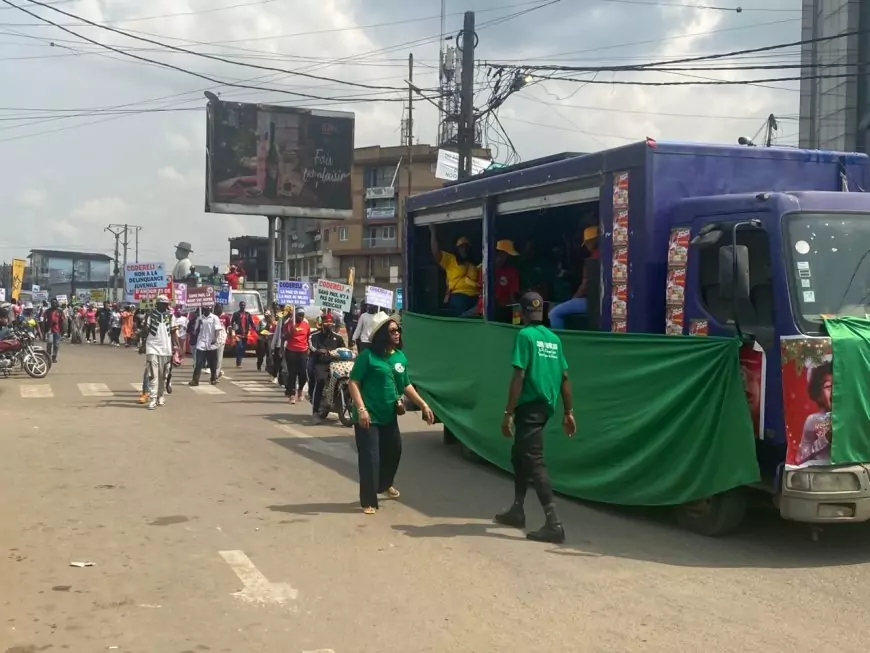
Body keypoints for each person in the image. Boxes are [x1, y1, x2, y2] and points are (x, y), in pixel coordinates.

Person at [496, 291, 576, 544]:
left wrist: (508, 412)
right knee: (519, 456)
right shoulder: (553, 339)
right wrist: (569, 412)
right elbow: (564, 378)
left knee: (534, 461)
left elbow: (519, 376)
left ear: (521, 312)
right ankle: (517, 510)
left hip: (529, 407)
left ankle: (554, 523)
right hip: (546, 407)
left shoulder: (525, 336)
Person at [347, 314, 434, 514]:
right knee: (370, 458)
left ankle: (384, 484)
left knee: (394, 452)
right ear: (381, 335)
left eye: (398, 330)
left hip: (388, 415)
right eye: (392, 331)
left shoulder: (399, 357)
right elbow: (354, 382)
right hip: (368, 417)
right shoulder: (367, 357)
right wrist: (361, 409)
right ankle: (368, 501)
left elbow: (405, 384)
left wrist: (423, 404)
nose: (397, 333)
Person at [548, 226, 599, 330]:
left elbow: (585, 285)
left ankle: (560, 342)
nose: (587, 247)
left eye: (588, 243)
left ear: (593, 241)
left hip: (592, 302)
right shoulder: (610, 256)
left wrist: (574, 297)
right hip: (606, 302)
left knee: (553, 313)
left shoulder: (592, 260)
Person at [464, 239, 521, 318]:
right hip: (482, 309)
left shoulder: (512, 272)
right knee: (461, 319)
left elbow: (513, 297)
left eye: (506, 255)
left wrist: (517, 316)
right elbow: (481, 290)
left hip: (503, 310)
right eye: (500, 254)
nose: (503, 257)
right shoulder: (485, 268)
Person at [429, 226, 479, 315]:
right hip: (459, 296)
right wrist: (433, 233)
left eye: (466, 247)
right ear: (457, 249)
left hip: (475, 296)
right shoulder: (451, 260)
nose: (464, 250)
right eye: (461, 247)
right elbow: (436, 252)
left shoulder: (473, 262)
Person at [142, 295, 178, 410]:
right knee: (153, 375)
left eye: (167, 304)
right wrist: (142, 344)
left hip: (166, 350)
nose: (166, 306)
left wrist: (177, 346)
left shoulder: (171, 316)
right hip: (152, 347)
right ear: (158, 304)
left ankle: (160, 396)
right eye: (163, 304)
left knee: (163, 376)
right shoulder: (150, 315)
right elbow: (146, 331)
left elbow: (173, 332)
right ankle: (152, 399)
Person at [308, 313, 345, 424]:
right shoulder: (314, 336)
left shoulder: (337, 337)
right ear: (321, 323)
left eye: (330, 322)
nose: (328, 324)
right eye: (326, 322)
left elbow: (343, 348)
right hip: (320, 363)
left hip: (335, 364)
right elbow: (312, 347)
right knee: (320, 382)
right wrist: (320, 351)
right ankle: (315, 412)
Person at [797, 361, 833, 466]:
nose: (835, 390)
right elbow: (802, 456)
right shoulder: (813, 420)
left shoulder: (851, 417)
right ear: (818, 395)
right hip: (818, 472)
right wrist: (825, 438)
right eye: (828, 386)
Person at [282, 308, 310, 404]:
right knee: (292, 374)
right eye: (299, 315)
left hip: (303, 351)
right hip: (291, 351)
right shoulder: (289, 323)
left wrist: (309, 348)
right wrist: (290, 332)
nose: (301, 317)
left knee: (303, 374)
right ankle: (292, 394)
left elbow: (308, 336)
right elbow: (283, 337)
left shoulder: (306, 324)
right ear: (295, 316)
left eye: (302, 315)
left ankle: (300, 389)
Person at [190, 305, 220, 386]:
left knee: (213, 363)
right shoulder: (199, 318)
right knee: (198, 363)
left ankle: (213, 378)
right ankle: (195, 380)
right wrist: (199, 325)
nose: (206, 311)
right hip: (201, 343)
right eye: (204, 310)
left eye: (208, 310)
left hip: (211, 344)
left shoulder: (215, 318)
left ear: (210, 310)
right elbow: (195, 332)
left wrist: (215, 338)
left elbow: (217, 330)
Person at [231, 300, 257, 368]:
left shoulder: (248, 314)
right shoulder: (236, 314)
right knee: (239, 347)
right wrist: (232, 332)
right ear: (239, 306)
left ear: (245, 306)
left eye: (244, 305)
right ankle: (238, 362)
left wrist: (256, 330)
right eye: (241, 305)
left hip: (245, 334)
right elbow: (232, 323)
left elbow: (251, 323)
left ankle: (240, 360)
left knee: (243, 349)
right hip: (238, 334)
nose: (243, 306)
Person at [42, 298, 63, 363]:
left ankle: (54, 357)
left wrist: (63, 331)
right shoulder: (47, 311)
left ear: (56, 303)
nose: (54, 304)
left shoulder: (60, 311)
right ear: (51, 304)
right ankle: (48, 356)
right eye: (53, 302)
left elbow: (62, 321)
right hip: (49, 329)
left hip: (57, 330)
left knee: (56, 344)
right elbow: (44, 320)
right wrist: (43, 331)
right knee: (49, 342)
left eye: (55, 302)